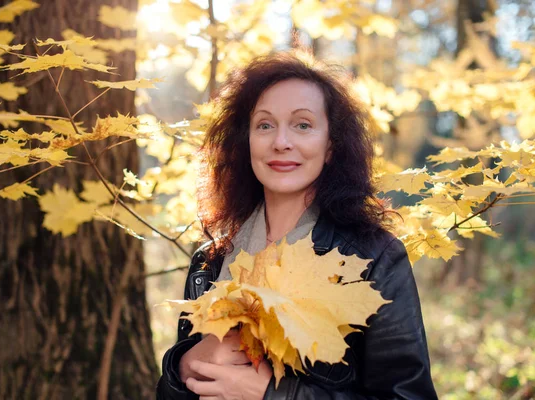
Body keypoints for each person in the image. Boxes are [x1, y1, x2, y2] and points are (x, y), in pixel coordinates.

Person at [156, 51, 438, 400]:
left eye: (302, 125)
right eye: (265, 125)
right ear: (247, 143)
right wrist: (181, 369)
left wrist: (276, 396)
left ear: (330, 146)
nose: (281, 142)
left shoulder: (374, 258)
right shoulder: (210, 260)